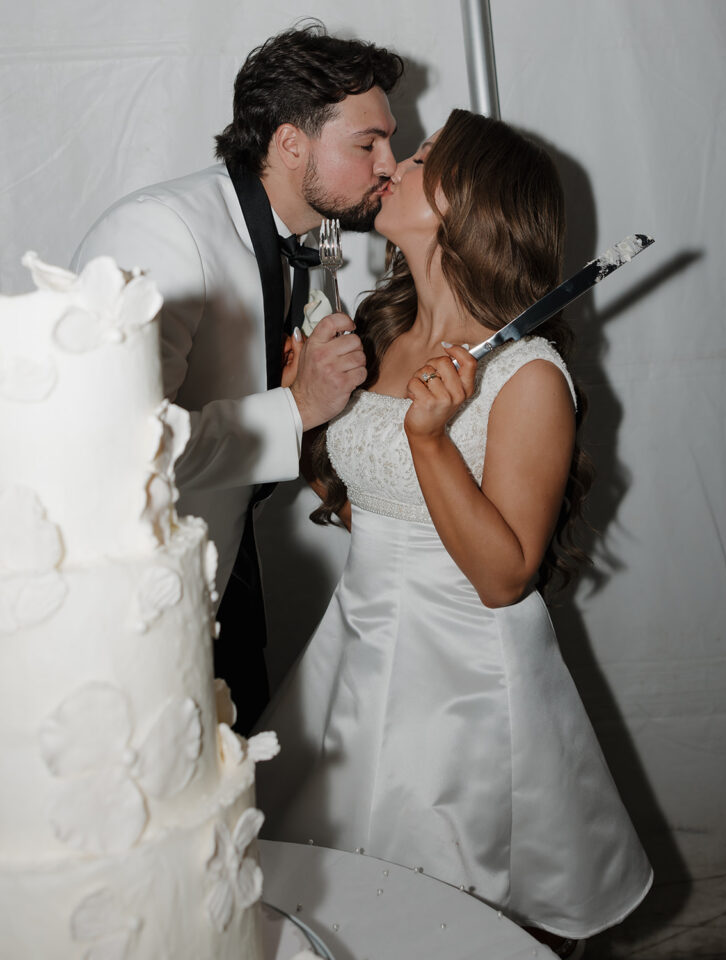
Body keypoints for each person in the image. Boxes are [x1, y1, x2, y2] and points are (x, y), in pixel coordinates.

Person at [257, 109, 653, 956]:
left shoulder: (527, 376)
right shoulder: (380, 324)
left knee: (438, 909)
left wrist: (430, 438)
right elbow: (368, 504)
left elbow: (503, 577)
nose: (393, 163)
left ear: (466, 201)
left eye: (424, 156)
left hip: (462, 681)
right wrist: (306, 414)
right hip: (355, 648)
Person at [71, 23, 403, 733]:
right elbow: (115, 448)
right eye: (367, 143)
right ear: (290, 144)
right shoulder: (160, 233)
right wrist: (296, 405)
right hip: (139, 599)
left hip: (229, 569)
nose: (388, 164)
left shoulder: (300, 243)